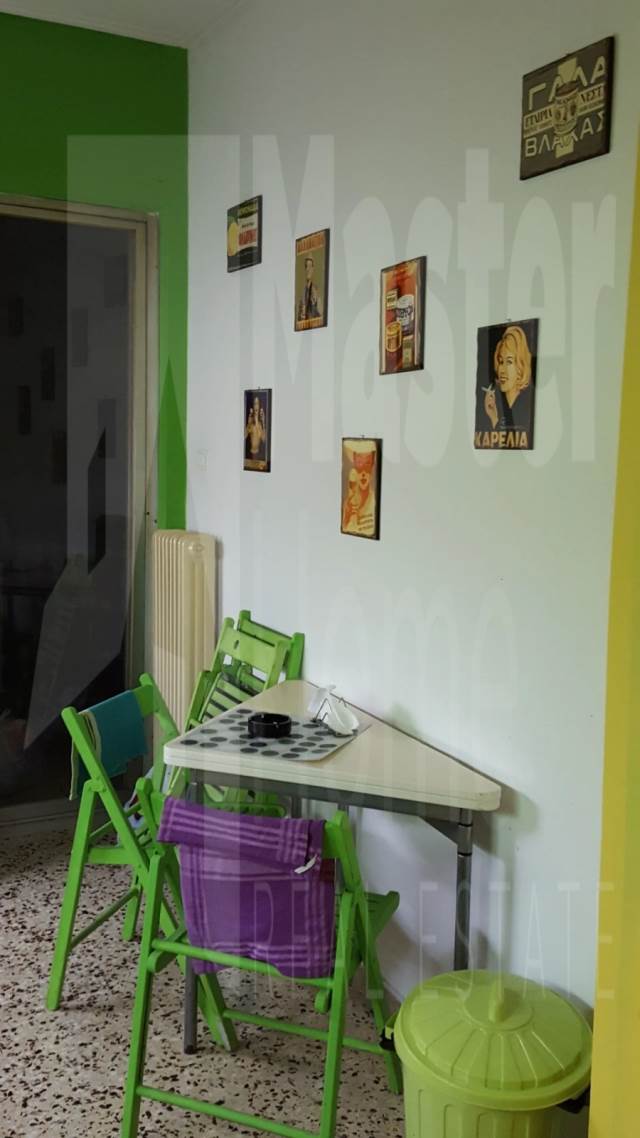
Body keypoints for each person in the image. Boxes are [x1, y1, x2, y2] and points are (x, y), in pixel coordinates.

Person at [483, 324, 533, 434]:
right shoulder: (502, 408)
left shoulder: (523, 409)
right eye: (501, 362)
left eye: (509, 362)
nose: (502, 370)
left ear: (520, 367)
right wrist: (493, 417)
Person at [341, 441, 377, 538]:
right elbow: (346, 527)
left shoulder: (373, 501)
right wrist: (347, 516)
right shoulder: (349, 502)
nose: (363, 470)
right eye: (359, 462)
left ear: (372, 465)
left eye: (367, 463)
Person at [297, 255, 323, 321]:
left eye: (310, 266)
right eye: (306, 266)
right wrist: (301, 316)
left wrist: (314, 305)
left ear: (313, 269)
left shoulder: (316, 292)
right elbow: (298, 319)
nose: (308, 269)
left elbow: (320, 315)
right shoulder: (302, 294)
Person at [244, 395, 266, 462]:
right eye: (255, 404)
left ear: (259, 406)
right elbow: (245, 436)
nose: (256, 406)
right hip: (250, 454)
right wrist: (248, 423)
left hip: (259, 454)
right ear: (253, 406)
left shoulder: (260, 424)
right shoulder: (251, 422)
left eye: (257, 404)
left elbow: (264, 439)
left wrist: (263, 422)